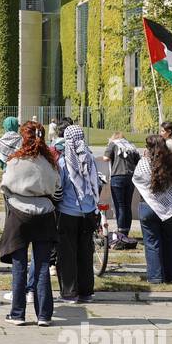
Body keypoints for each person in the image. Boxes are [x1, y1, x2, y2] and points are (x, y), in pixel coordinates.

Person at [0, 120, 61, 326]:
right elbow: (56, 188)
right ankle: (43, 315)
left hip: (19, 213)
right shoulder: (49, 162)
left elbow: (5, 185)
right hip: (44, 213)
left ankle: (17, 314)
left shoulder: (15, 160)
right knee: (42, 265)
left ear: (23, 137)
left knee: (19, 266)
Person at [132, 134, 172, 285]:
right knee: (170, 241)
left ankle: (156, 276)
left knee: (152, 243)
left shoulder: (144, 163)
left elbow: (138, 180)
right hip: (169, 207)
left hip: (147, 206)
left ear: (148, 148)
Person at [54, 123, 100, 302]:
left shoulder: (65, 161)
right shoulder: (90, 157)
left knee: (67, 254)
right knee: (85, 252)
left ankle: (69, 292)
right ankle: (86, 291)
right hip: (88, 212)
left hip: (68, 212)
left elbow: (60, 186)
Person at [100, 132, 140, 245]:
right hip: (130, 177)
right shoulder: (130, 145)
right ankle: (126, 231)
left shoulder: (113, 144)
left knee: (120, 205)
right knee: (127, 205)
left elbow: (105, 158)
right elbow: (138, 160)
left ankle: (121, 232)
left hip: (117, 177)